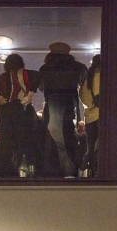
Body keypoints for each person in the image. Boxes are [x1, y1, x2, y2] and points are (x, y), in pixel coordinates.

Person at [39, 42, 87, 177]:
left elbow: (42, 88)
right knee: (69, 140)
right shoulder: (78, 67)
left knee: (51, 142)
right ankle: (71, 170)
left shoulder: (45, 69)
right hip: (68, 109)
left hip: (51, 109)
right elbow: (83, 83)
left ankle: (52, 171)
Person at [0, 53, 41, 176]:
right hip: (23, 111)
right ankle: (29, 173)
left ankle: (7, 174)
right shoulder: (27, 74)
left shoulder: (2, 77)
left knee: (6, 145)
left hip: (6, 112)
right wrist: (31, 93)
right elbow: (38, 76)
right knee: (26, 144)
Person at [79, 54, 100, 175]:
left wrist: (90, 105)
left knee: (90, 148)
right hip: (102, 117)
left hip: (89, 118)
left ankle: (89, 172)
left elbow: (82, 96)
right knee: (101, 147)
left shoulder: (87, 79)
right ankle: (100, 172)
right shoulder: (104, 77)